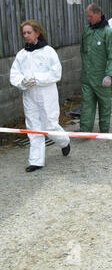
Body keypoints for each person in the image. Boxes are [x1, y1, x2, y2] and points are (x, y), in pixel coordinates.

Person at [10, 20, 71, 172]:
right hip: (29, 95)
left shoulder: (48, 51)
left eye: (29, 32)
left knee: (49, 125)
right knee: (33, 127)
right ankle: (36, 161)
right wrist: (23, 82)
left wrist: (37, 79)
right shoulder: (21, 55)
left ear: (37, 32)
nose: (26, 35)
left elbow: (56, 73)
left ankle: (64, 141)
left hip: (46, 94)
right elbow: (14, 74)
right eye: (24, 33)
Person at [80, 3, 112, 133]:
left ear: (98, 15)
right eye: (87, 16)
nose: (88, 19)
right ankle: (85, 130)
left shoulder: (108, 33)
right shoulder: (87, 31)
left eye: (90, 16)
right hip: (87, 77)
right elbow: (83, 52)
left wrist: (109, 75)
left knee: (104, 104)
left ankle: (104, 130)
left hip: (102, 77)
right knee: (86, 104)